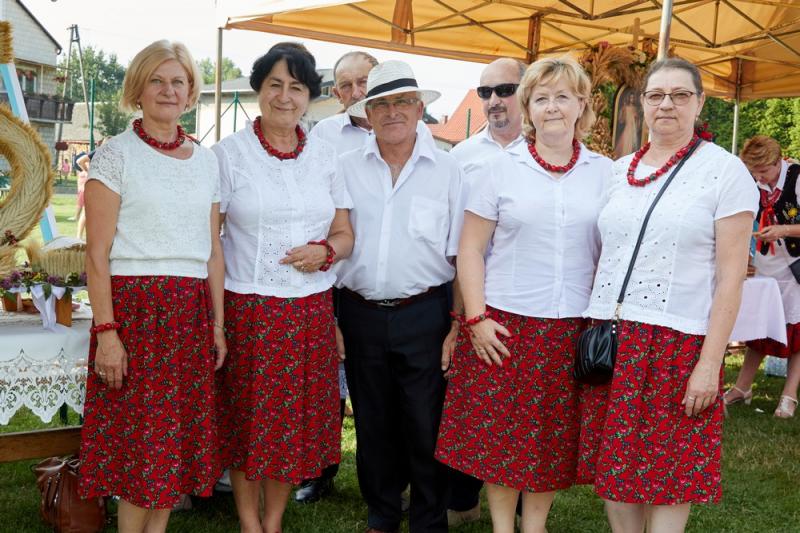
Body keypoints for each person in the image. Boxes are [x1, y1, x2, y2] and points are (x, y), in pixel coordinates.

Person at [436, 57, 612, 533]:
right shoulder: (498, 169)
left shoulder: (605, 173)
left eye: (563, 97)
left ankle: (534, 525)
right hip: (504, 326)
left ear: (582, 105)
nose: (552, 107)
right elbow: (470, 249)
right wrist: (475, 319)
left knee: (550, 441)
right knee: (502, 441)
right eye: (541, 98)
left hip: (571, 328)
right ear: (528, 108)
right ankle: (502, 526)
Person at [583, 58, 758, 532]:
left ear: (700, 103)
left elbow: (731, 278)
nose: (667, 104)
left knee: (669, 469)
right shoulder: (619, 171)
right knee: (618, 465)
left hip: (678, 342)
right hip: (613, 336)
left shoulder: (725, 172)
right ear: (642, 103)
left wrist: (710, 363)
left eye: (680, 95)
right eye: (656, 95)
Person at [78, 39, 226, 533]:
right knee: (141, 448)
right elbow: (96, 254)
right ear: (137, 90)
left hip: (189, 313)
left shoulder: (207, 161)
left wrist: (218, 325)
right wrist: (106, 332)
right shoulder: (115, 155)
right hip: (135, 313)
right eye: (156, 80)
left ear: (191, 92)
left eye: (178, 81)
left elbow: (213, 249)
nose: (168, 90)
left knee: (173, 446)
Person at [212, 42, 354, 533]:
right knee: (247, 421)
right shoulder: (228, 155)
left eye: (296, 87)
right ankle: (249, 521)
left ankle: (273, 520)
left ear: (310, 96)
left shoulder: (327, 157)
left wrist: (326, 252)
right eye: (275, 84)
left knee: (289, 426)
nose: (285, 96)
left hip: (309, 311)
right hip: (247, 307)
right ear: (258, 89)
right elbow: (211, 244)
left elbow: (345, 235)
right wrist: (217, 320)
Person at [336, 60, 462, 533]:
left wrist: (457, 324)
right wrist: (332, 320)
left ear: (419, 108)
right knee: (372, 423)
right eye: (382, 104)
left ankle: (429, 520)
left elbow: (462, 254)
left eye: (403, 102)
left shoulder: (448, 170)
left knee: (426, 422)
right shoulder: (344, 168)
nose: (393, 112)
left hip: (425, 312)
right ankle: (382, 515)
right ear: (367, 113)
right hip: (358, 312)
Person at [442, 56, 526, 528]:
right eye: (485, 92)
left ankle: (522, 505)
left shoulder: (550, 151)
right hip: (467, 294)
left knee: (523, 409)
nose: (494, 100)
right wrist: (459, 316)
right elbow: (457, 241)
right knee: (468, 405)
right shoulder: (462, 157)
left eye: (504, 90)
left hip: (528, 300)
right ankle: (462, 499)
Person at [295, 49, 378, 505]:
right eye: (345, 85)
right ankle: (319, 472)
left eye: (363, 81)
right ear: (336, 93)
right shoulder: (323, 135)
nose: (356, 91)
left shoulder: (404, 129)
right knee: (325, 384)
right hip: (332, 277)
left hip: (378, 281)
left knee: (372, 386)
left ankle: (377, 478)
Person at [724, 135, 800, 418]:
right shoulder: (753, 182)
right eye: (754, 172)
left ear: (778, 161)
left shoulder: (797, 178)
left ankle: (789, 395)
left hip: (796, 268)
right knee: (760, 325)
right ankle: (742, 388)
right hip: (767, 266)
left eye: (764, 171)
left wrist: (784, 230)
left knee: (797, 331)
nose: (759, 177)